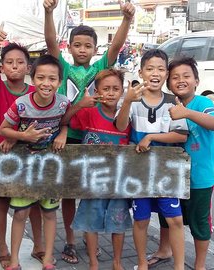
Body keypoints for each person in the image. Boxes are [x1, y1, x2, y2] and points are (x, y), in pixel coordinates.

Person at [43, 0, 135, 264]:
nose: (82, 49)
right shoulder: (61, 66)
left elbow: (116, 46)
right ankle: (71, 241)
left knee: (90, 190)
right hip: (66, 135)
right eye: (77, 45)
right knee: (69, 191)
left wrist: (126, 20)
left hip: (91, 136)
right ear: (69, 47)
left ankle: (88, 235)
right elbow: (50, 41)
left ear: (96, 49)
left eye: (88, 46)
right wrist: (48, 12)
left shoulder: (99, 69)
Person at [115, 49, 188, 270]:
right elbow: (120, 126)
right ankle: (141, 263)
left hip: (167, 171)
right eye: (150, 69)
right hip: (138, 172)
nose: (155, 73)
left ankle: (179, 266)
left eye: (160, 69)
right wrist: (127, 101)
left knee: (175, 219)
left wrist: (151, 136)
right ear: (141, 72)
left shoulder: (172, 102)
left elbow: (181, 135)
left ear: (166, 73)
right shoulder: (133, 101)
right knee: (141, 219)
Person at [148, 56, 214, 270]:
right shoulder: (166, 104)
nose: (180, 80)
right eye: (175, 77)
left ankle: (200, 265)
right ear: (168, 82)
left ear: (196, 81)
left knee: (199, 223)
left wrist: (187, 112)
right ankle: (164, 250)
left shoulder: (204, 103)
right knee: (167, 216)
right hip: (170, 175)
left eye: (186, 76)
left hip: (199, 178)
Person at [0, 54, 70, 270]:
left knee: (50, 213)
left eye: (52, 79)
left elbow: (66, 122)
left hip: (50, 169)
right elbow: (3, 129)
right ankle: (14, 260)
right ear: (33, 79)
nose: (46, 84)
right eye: (41, 78)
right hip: (24, 168)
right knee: (20, 213)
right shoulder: (21, 105)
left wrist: (63, 133)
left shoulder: (63, 103)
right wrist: (21, 137)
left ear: (59, 81)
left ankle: (47, 258)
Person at [0, 24, 46, 268]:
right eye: (8, 62)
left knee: (33, 203)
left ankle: (39, 245)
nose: (14, 66)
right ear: (2, 67)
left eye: (19, 62)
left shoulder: (35, 91)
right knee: (3, 202)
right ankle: (3, 246)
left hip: (31, 153)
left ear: (28, 68)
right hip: (2, 153)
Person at [61, 68, 132, 270]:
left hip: (118, 182)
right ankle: (93, 263)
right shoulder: (90, 113)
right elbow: (64, 121)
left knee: (118, 224)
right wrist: (79, 105)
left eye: (115, 89)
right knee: (91, 224)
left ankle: (117, 262)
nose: (110, 93)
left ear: (122, 91)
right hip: (92, 182)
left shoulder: (127, 115)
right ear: (97, 91)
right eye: (106, 88)